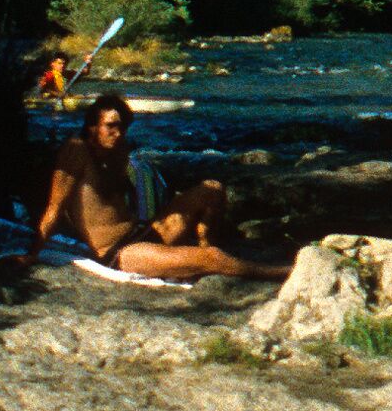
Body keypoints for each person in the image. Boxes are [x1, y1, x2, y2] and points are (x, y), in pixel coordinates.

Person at [38, 94, 278, 279]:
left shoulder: (118, 150)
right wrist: (30, 255)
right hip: (120, 252)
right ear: (92, 127)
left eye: (122, 127)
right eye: (111, 126)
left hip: (143, 231)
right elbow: (54, 208)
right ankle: (281, 273)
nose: (118, 133)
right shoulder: (76, 151)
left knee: (212, 189)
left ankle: (204, 253)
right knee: (212, 258)